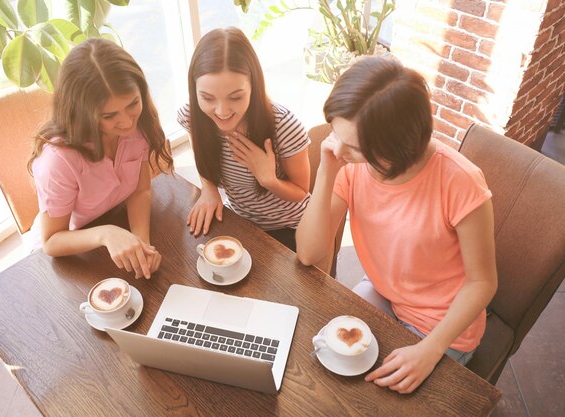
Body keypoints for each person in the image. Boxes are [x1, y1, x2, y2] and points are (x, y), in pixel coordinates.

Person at [296, 56, 497, 394]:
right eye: (335, 132)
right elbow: (308, 253)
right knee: (322, 356)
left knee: (373, 396)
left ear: (399, 147)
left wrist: (430, 350)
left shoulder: (461, 183)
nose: (340, 151)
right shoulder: (348, 165)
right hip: (385, 290)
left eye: (356, 148)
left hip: (441, 324)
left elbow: (482, 283)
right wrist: (326, 172)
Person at [28, 38, 173, 279]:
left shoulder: (141, 124)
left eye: (132, 103)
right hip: (70, 254)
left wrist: (141, 243)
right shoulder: (59, 159)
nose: (127, 122)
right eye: (109, 115)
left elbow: (139, 191)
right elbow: (52, 241)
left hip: (115, 228)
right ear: (83, 113)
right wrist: (106, 234)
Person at [177, 27, 311, 251]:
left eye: (236, 97)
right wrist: (208, 189)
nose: (221, 111)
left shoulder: (283, 126)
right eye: (208, 97)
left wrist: (269, 180)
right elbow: (199, 149)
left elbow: (301, 192)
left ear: (253, 86)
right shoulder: (193, 117)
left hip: (290, 226)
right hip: (239, 220)